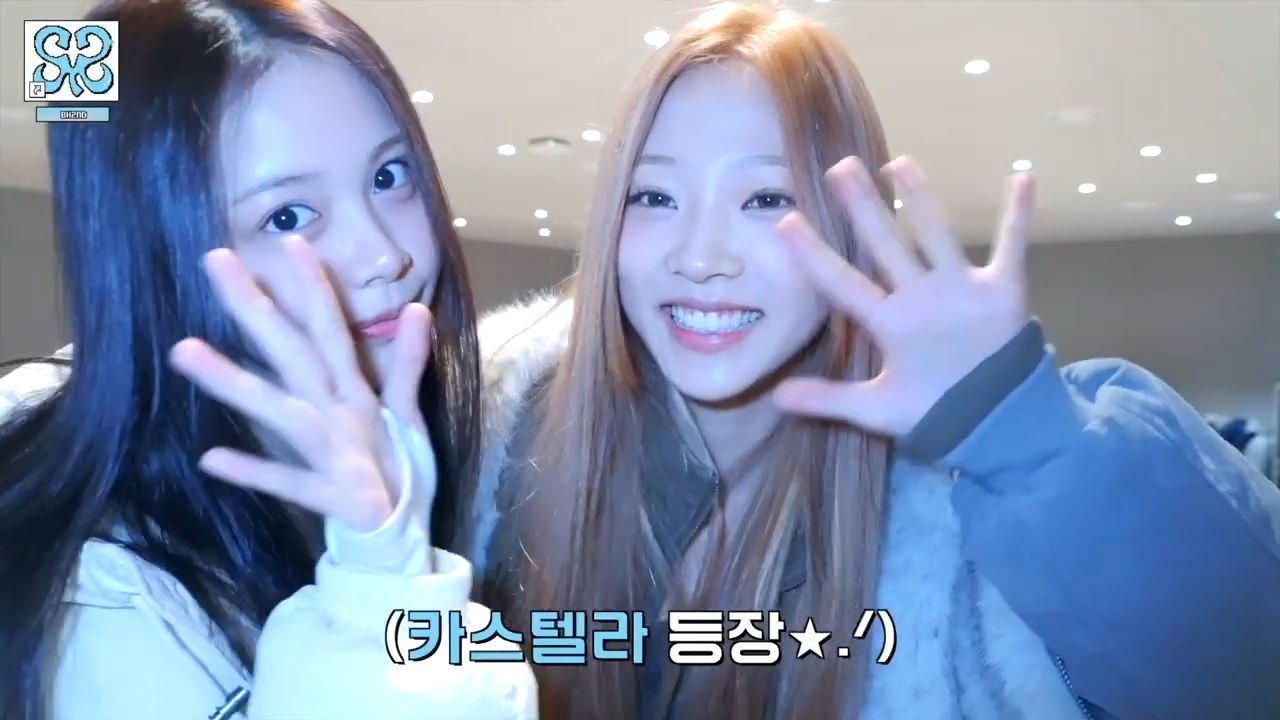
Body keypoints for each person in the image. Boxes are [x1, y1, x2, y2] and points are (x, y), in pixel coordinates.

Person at [469, 3, 1280, 719]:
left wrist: (1015, 432)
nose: (702, 257)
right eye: (654, 197)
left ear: (849, 226)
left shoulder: (962, 496)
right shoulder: (501, 450)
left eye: (766, 198)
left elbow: (1247, 672)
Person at [0, 1, 534, 718]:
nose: (386, 255)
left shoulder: (427, 458)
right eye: (287, 216)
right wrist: (380, 591)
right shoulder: (104, 601)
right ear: (157, 259)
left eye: (389, 176)